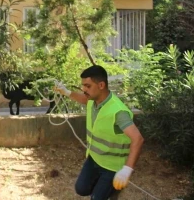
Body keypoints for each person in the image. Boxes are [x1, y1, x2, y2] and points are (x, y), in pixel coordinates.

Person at [55, 65, 144, 200]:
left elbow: (138, 139)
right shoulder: (93, 100)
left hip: (112, 166)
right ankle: (105, 190)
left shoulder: (118, 111)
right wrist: (67, 93)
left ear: (101, 85)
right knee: (81, 189)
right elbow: (84, 99)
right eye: (83, 86)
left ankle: (108, 191)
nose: (83, 89)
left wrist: (127, 170)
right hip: (94, 158)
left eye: (87, 86)